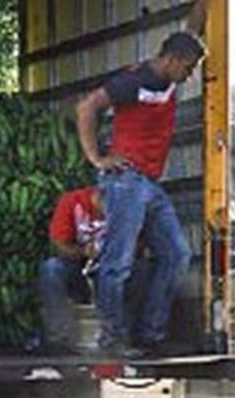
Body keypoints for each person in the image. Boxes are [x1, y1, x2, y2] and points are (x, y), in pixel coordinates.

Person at [75, 31, 205, 357]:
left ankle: (151, 333)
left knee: (177, 255)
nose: (189, 76)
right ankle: (112, 339)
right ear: (171, 59)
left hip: (149, 183)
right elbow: (86, 107)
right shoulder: (134, 81)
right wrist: (97, 158)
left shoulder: (169, 81)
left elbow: (195, 21)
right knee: (116, 263)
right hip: (126, 181)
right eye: (188, 68)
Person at [39, 187, 149, 353]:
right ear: (97, 198)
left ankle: (121, 338)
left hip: (112, 269)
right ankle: (60, 340)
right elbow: (61, 246)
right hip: (79, 268)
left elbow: (140, 244)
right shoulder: (72, 202)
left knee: (140, 269)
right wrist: (83, 251)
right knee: (51, 268)